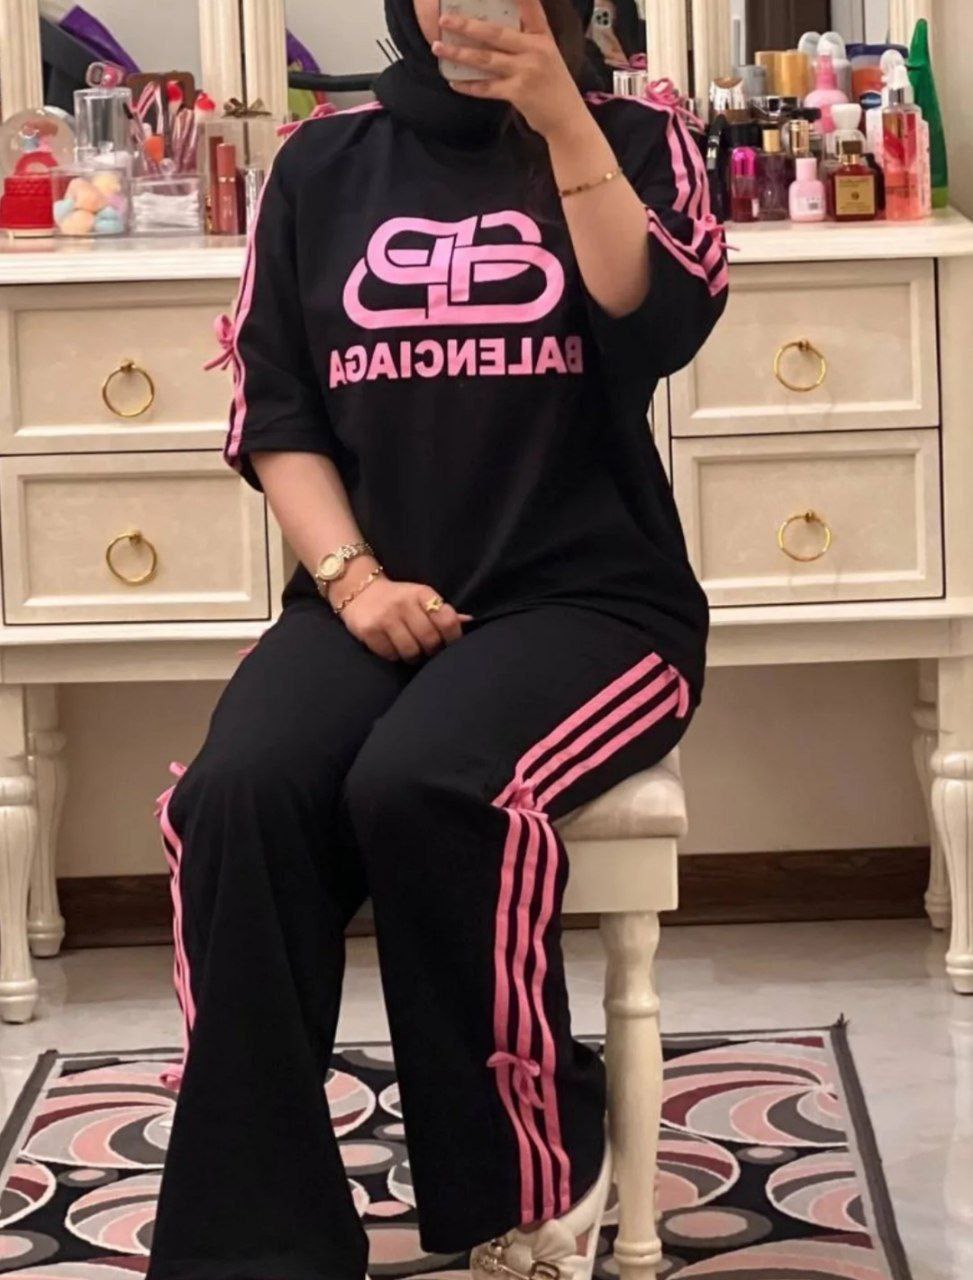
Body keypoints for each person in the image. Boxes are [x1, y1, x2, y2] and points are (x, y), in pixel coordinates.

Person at [146, 1, 728, 1278]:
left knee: (428, 783)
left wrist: (558, 113)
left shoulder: (641, 139)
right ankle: (255, 1233)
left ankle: (535, 1173)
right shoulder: (320, 163)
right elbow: (277, 410)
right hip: (369, 593)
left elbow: (654, 325)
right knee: (237, 794)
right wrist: (352, 580)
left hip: (592, 602)